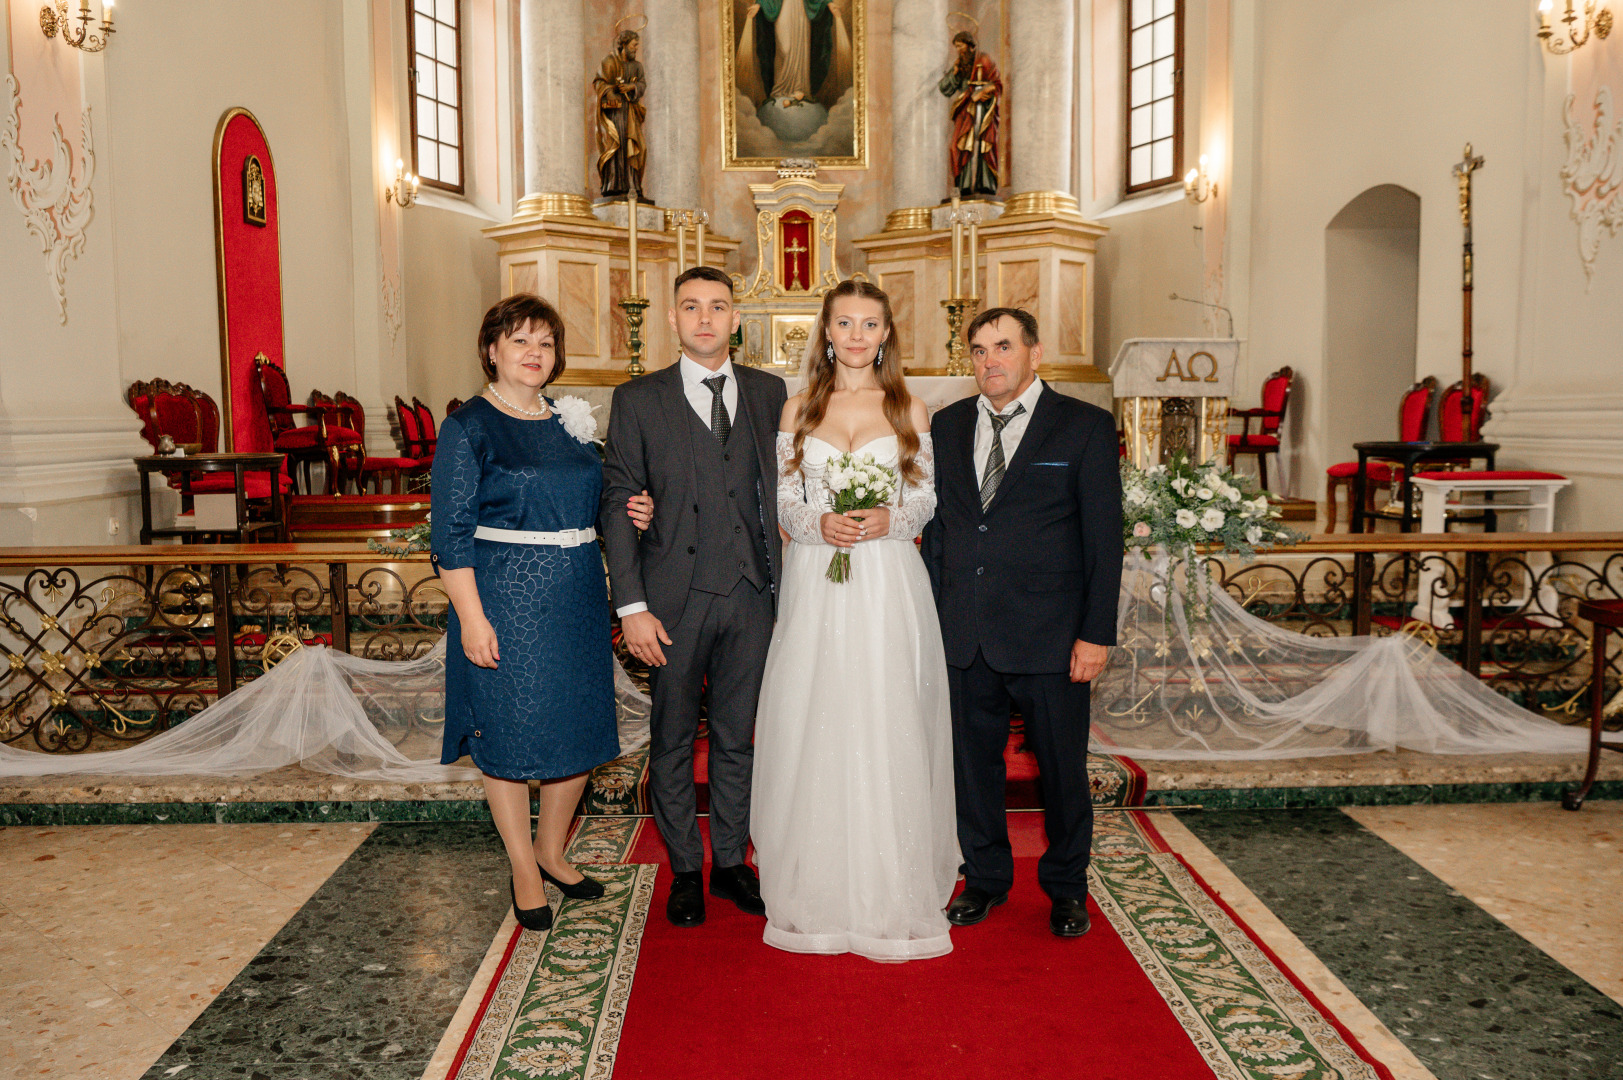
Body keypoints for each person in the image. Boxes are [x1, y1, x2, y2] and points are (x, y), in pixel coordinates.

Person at [431, 294, 653, 932]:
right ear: (491, 350)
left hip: (575, 595)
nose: (534, 353)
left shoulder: (568, 419)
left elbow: (598, 498)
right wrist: (472, 618)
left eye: (546, 343)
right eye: (520, 340)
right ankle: (523, 865)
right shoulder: (469, 426)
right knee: (506, 734)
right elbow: (449, 535)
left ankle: (553, 852)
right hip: (506, 596)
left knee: (577, 729)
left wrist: (633, 512)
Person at [752, 280, 957, 961]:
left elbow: (924, 499)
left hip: (886, 578)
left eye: (870, 324)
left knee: (884, 710)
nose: (857, 336)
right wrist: (818, 523)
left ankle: (889, 883)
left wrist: (885, 519)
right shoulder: (798, 408)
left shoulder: (908, 407)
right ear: (827, 331)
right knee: (816, 712)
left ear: (886, 333)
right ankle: (816, 884)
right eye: (845, 323)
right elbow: (784, 500)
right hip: (817, 578)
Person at [922, 307, 1123, 938]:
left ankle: (1066, 887)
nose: (991, 362)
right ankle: (985, 879)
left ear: (1034, 353)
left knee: (1062, 772)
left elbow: (1104, 540)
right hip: (965, 631)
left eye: (1004, 347)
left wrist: (1096, 633)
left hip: (1051, 635)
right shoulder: (947, 425)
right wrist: (929, 619)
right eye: (980, 351)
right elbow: (942, 531)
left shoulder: (1084, 426)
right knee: (972, 770)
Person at [599, 266, 788, 927]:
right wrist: (632, 607)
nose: (705, 318)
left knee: (738, 738)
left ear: (736, 318)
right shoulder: (638, 399)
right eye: (690, 306)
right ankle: (684, 867)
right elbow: (618, 501)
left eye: (717, 306)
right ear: (673, 319)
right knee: (673, 737)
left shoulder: (769, 392)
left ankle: (731, 862)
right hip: (672, 601)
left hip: (752, 595)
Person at [938, 30, 1001, 198]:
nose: (958, 50)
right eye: (956, 47)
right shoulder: (961, 64)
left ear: (970, 45)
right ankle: (963, 185)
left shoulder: (984, 60)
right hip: (965, 111)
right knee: (958, 146)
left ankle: (985, 184)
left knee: (983, 145)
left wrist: (983, 92)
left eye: (960, 46)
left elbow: (997, 84)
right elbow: (944, 89)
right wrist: (954, 73)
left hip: (984, 110)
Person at [592, 30, 646, 201]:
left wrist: (631, 87)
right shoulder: (609, 61)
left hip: (630, 112)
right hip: (614, 113)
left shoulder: (637, 66)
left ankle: (633, 184)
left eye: (637, 45)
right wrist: (611, 91)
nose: (636, 48)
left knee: (637, 147)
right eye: (634, 45)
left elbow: (642, 84)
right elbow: (599, 83)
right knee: (616, 146)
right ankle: (613, 185)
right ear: (624, 44)